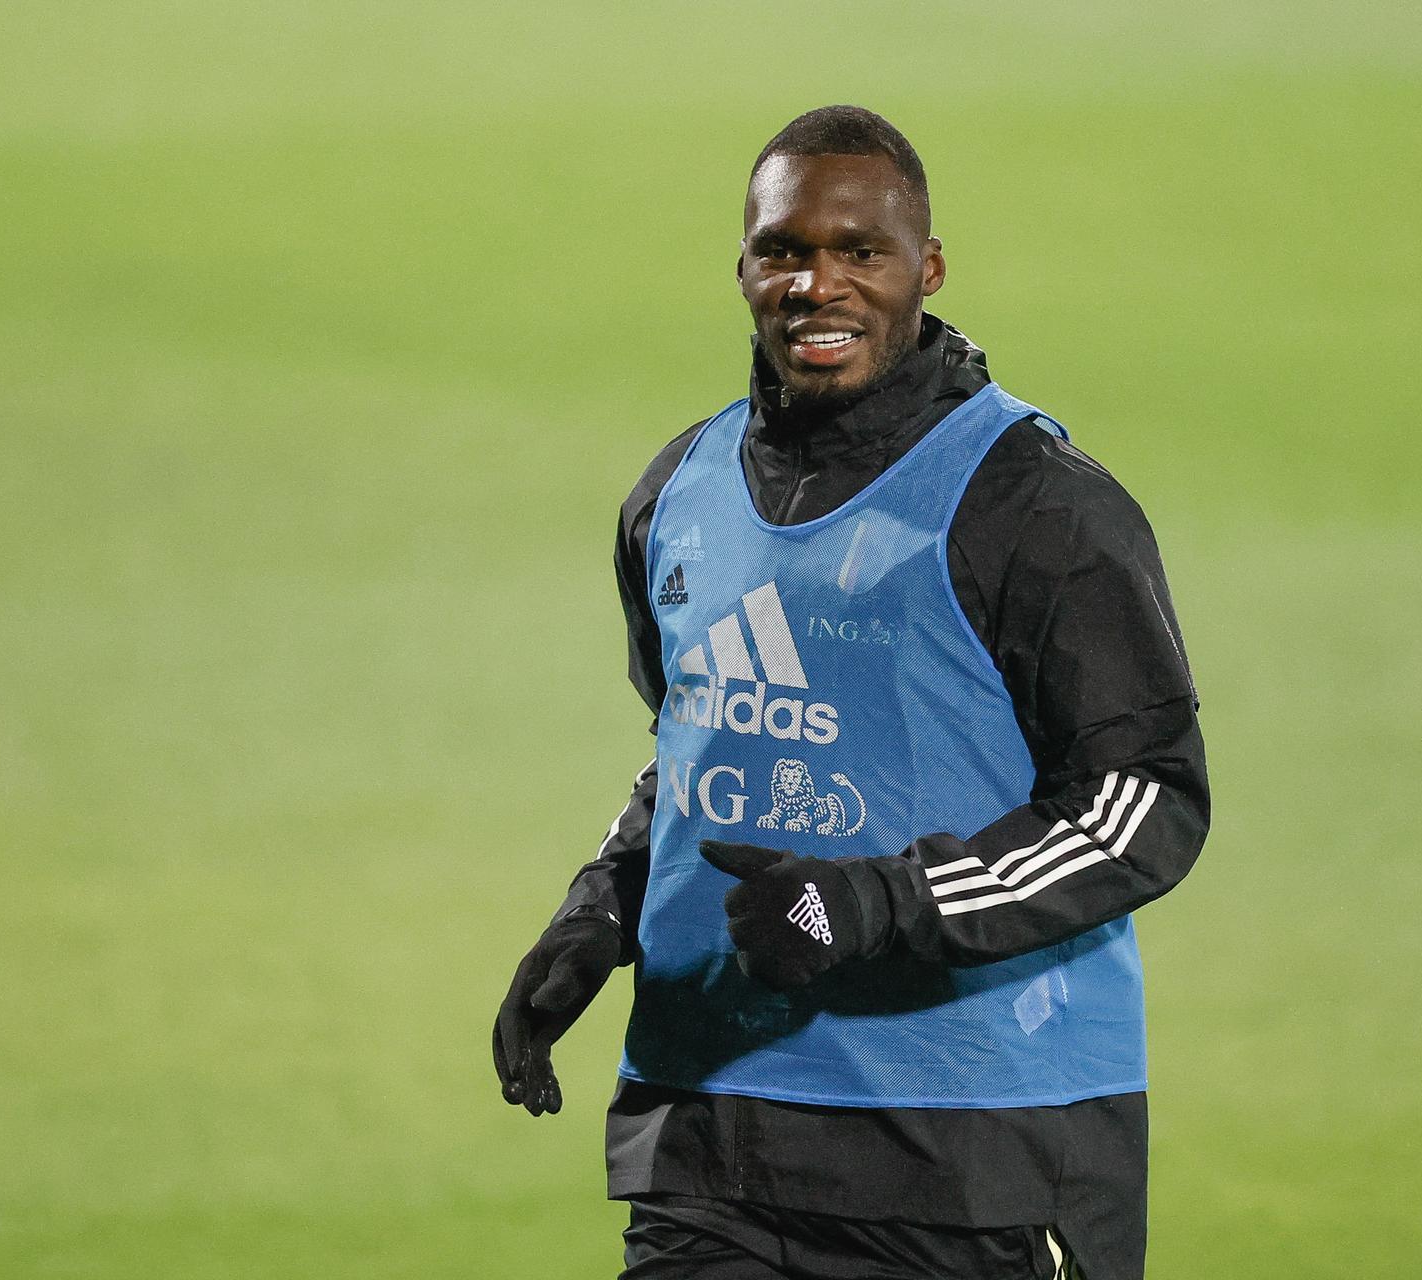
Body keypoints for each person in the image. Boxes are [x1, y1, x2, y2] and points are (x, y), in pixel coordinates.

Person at [492, 105, 1209, 1280]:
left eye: (858, 252)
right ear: (742, 268)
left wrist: (875, 902)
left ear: (925, 267)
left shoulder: (1036, 505)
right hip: (714, 1134)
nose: (816, 283)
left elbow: (1144, 799)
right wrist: (602, 910)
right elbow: (693, 739)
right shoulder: (677, 492)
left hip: (971, 1155)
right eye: (784, 250)